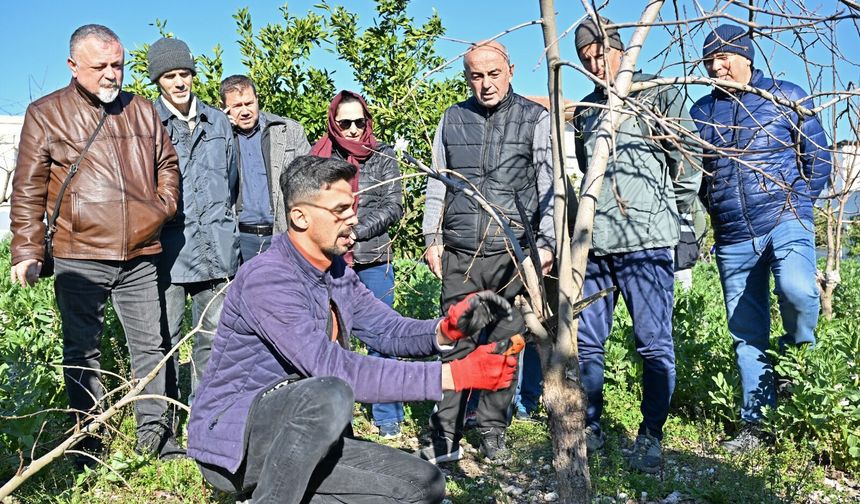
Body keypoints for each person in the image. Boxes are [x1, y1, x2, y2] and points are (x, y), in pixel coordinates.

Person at [187, 155, 519, 503]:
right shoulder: (268, 278)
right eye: (340, 210)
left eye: (353, 206)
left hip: (304, 439)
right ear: (300, 216)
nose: (354, 218)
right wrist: (452, 377)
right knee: (329, 392)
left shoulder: (335, 271)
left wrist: (445, 330)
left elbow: (384, 328)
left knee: (425, 484)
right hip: (237, 441)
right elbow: (334, 369)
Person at [9, 24, 182, 465]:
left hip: (140, 255)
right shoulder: (45, 113)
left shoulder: (143, 111)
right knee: (82, 351)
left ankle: (156, 440)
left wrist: (161, 208)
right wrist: (27, 251)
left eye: (118, 65)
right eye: (100, 66)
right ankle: (89, 445)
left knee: (151, 348)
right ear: (73, 66)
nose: (112, 74)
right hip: (77, 256)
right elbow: (28, 190)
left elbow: (168, 164)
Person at [690, 24, 832, 453]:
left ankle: (795, 364)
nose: (718, 65)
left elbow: (818, 156)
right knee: (745, 331)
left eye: (726, 57)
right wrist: (714, 214)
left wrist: (800, 204)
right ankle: (757, 425)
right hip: (732, 234)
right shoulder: (700, 112)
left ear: (747, 58)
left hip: (785, 217)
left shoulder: (784, 96)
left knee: (798, 291)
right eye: (710, 59)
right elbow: (700, 176)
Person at [571, 16, 702, 473]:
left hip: (647, 243)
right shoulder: (586, 110)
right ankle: (591, 426)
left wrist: (667, 213)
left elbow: (688, 161)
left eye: (601, 54)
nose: (595, 64)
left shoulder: (655, 94)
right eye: (586, 59)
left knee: (653, 344)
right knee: (588, 344)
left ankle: (651, 435)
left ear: (622, 51)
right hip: (596, 247)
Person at [420, 40, 555, 463]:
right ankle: (445, 433)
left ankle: (493, 428)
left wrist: (546, 244)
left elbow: (550, 187)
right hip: (461, 251)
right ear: (467, 78)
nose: (486, 84)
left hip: (513, 253)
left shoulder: (536, 119)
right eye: (476, 76)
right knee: (454, 341)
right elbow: (437, 182)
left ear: (510, 70)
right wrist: (432, 238)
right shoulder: (452, 118)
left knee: (505, 343)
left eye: (493, 74)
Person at [147, 37, 239, 399]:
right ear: (159, 81)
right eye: (170, 76)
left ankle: (203, 416)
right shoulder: (149, 122)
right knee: (164, 340)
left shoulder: (218, 122)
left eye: (184, 73)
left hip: (216, 250)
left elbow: (231, 183)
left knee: (213, 341)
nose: (179, 82)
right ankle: (163, 421)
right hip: (167, 253)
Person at [310, 90, 405, 438]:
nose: (351, 129)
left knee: (383, 335)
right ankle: (337, 413)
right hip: (332, 260)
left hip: (374, 257)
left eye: (358, 122)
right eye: (344, 122)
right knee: (332, 337)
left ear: (367, 122)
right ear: (334, 123)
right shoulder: (320, 157)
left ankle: (388, 413)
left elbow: (394, 205)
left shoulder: (383, 156)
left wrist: (356, 230)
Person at [219, 75, 311, 259]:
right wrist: (221, 129)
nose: (245, 111)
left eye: (249, 103)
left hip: (284, 234)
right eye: (237, 106)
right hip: (240, 238)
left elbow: (310, 183)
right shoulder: (217, 137)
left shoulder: (288, 131)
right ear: (225, 108)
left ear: (257, 99)